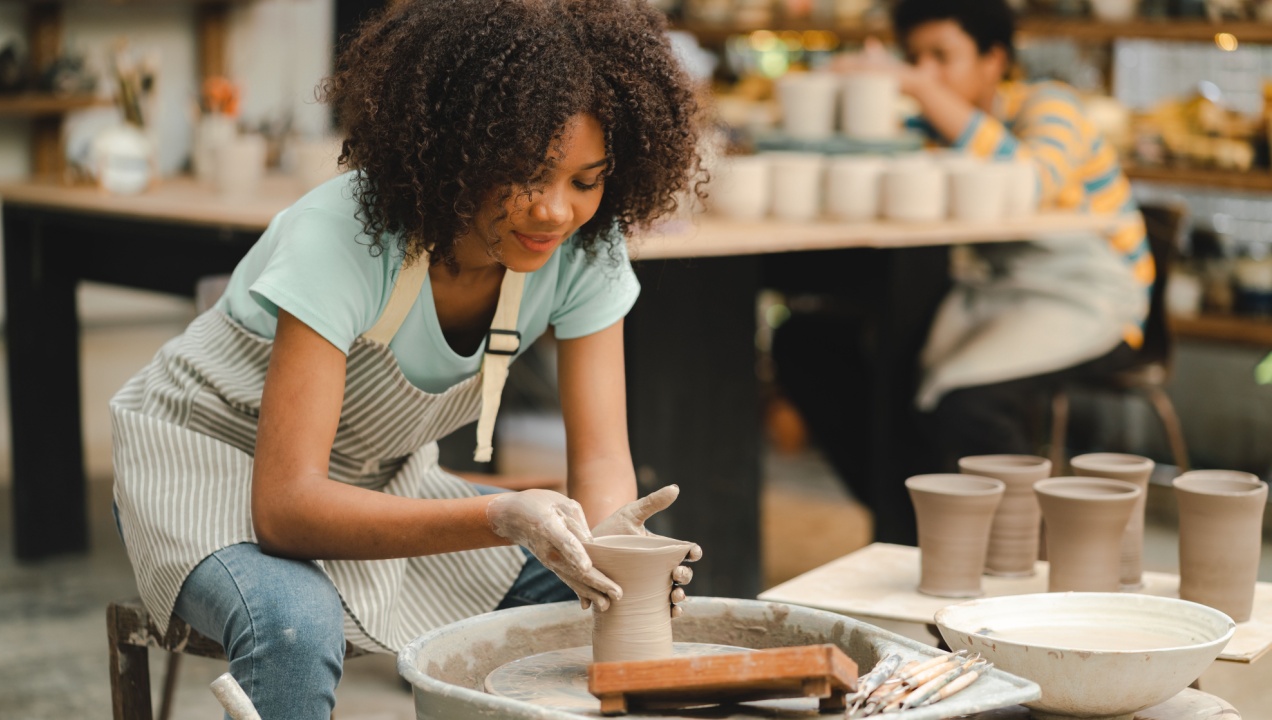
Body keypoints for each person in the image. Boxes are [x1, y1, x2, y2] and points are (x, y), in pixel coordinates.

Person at [109, 1, 703, 717]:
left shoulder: (581, 252)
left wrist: (614, 556)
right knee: (296, 623)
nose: (554, 211)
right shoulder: (346, 235)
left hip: (373, 484)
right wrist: (502, 516)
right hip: (202, 471)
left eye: (586, 179)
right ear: (460, 149)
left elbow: (604, 460)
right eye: (529, 175)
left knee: (586, 588)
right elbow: (286, 508)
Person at [773, 0, 1152, 510]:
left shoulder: (1049, 104)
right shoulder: (931, 132)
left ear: (993, 59)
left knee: (966, 402)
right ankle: (910, 522)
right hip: (993, 291)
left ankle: (1020, 553)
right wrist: (841, 85)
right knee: (822, 349)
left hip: (1094, 297)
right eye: (912, 57)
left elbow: (1033, 179)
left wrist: (920, 89)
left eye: (940, 56)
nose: (923, 72)